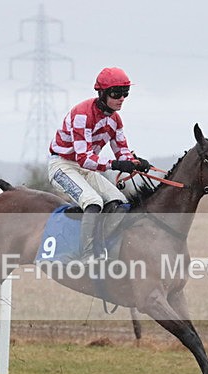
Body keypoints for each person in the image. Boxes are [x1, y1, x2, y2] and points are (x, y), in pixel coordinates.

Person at [48, 66, 151, 261]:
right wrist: (116, 164)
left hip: (85, 169)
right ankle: (87, 254)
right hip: (62, 166)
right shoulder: (82, 114)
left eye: (125, 94)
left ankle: (101, 247)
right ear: (102, 93)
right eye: (116, 93)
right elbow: (84, 158)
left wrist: (136, 163)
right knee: (93, 202)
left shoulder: (116, 120)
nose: (121, 98)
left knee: (120, 202)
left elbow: (122, 152)